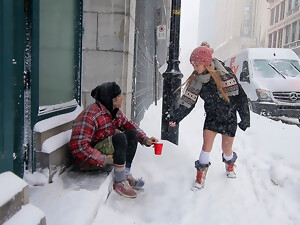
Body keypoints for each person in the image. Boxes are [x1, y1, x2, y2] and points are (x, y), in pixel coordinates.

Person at [169, 45, 250, 190]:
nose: (195, 67)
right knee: (206, 146)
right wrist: (176, 117)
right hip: (212, 117)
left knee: (226, 149)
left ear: (206, 63)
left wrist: (245, 118)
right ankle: (200, 176)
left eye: (197, 64)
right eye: (193, 64)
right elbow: (188, 101)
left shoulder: (226, 74)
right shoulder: (197, 80)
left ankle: (230, 162)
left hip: (229, 116)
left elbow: (241, 97)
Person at [69, 82, 158, 198]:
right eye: (120, 95)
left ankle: (125, 174)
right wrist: (104, 159)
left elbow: (131, 125)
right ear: (112, 99)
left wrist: (145, 139)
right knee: (119, 137)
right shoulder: (91, 115)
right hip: (89, 161)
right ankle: (120, 181)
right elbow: (78, 146)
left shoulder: (114, 112)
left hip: (104, 153)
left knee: (131, 133)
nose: (122, 98)